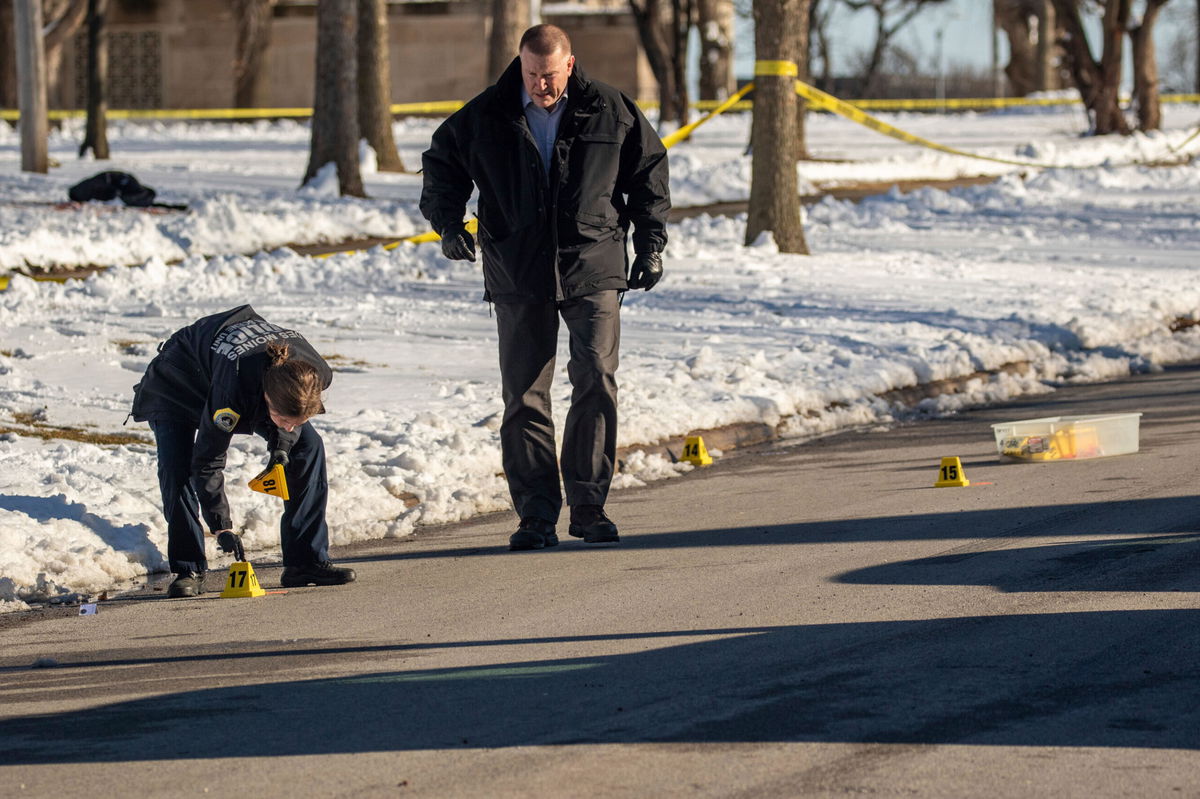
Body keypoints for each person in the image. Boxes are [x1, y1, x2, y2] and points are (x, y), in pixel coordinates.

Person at [420, 24, 671, 551]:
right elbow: (440, 165)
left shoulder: (611, 108)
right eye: (532, 75)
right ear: (521, 65)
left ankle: (588, 506)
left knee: (596, 377)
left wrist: (650, 246)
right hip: (518, 269)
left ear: (570, 65)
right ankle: (535, 516)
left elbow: (648, 174)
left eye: (551, 75)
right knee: (525, 396)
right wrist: (448, 225)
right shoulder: (487, 112)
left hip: (594, 262)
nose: (541, 86)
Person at [131, 305, 356, 596]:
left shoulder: (316, 373)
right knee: (179, 467)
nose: (290, 427)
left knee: (309, 446)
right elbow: (208, 461)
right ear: (264, 400)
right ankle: (189, 569)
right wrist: (221, 526)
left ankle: (305, 561)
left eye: (295, 421)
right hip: (178, 383)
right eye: (283, 421)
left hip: (237, 375)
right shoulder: (234, 391)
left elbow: (292, 422)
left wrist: (281, 447)